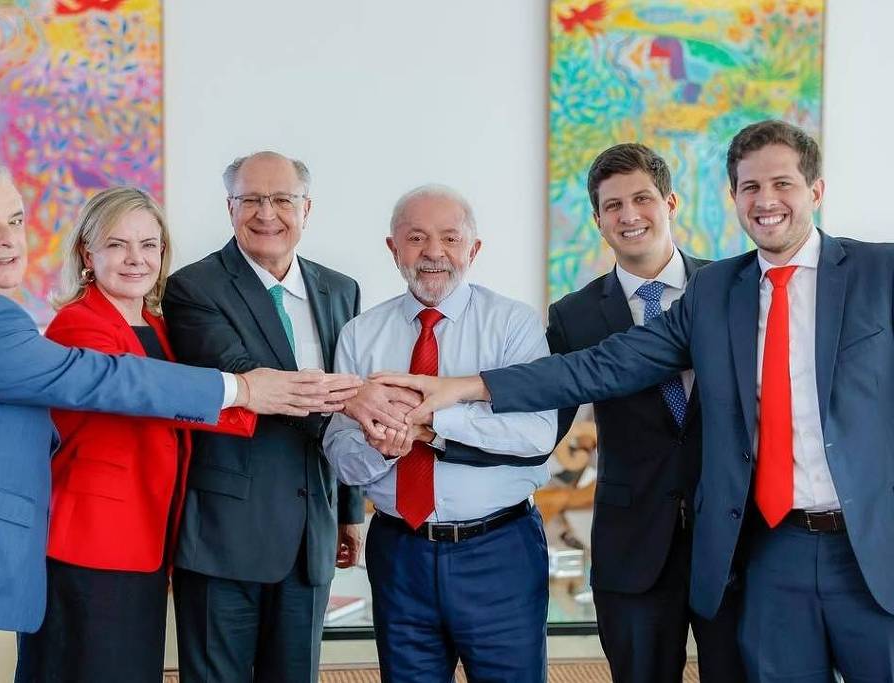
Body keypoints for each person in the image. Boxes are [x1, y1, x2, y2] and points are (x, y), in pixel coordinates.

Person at [376, 120, 894, 681]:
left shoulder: (879, 271)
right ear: (733, 198)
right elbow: (599, 367)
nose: (765, 201)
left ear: (815, 191)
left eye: (782, 184)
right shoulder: (720, 291)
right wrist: (466, 389)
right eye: (750, 188)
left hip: (852, 544)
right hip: (763, 550)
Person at [0, 159, 355, 682]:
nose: (7, 239)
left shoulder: (149, 323)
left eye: (14, 221)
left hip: (54, 558)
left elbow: (165, 404)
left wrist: (273, 399)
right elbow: (115, 384)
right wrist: (244, 388)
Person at [14, 187, 257, 682]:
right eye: (118, 244)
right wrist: (251, 395)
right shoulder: (76, 325)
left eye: (149, 245)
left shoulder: (157, 324)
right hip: (89, 545)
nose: (136, 259)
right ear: (88, 252)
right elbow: (146, 395)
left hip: (147, 540)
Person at [324, 185, 558, 683]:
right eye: (416, 238)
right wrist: (377, 445)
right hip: (400, 551)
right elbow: (341, 455)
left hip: (499, 550)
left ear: (473, 250)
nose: (433, 253)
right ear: (393, 248)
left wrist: (431, 425)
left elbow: (537, 433)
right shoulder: (360, 335)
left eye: (450, 238)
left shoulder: (514, 326)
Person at [163, 151, 365, 683]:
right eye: (250, 199)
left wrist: (349, 508)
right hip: (224, 535)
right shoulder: (192, 288)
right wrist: (361, 406)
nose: (266, 213)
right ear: (230, 208)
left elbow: (348, 397)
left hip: (310, 537)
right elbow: (246, 380)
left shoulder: (340, 290)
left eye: (282, 199)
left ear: (307, 208)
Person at [546, 144, 744, 682]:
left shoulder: (733, 289)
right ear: (598, 220)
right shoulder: (575, 316)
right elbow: (544, 427)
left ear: (671, 202)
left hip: (732, 543)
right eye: (613, 206)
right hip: (631, 547)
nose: (629, 215)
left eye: (642, 198)